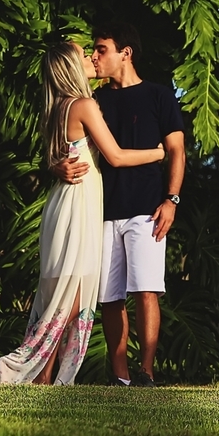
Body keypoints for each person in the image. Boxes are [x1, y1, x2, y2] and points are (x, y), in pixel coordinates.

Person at [0, 41, 165, 385]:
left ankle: (43, 375)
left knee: (61, 291)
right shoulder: (84, 105)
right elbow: (114, 156)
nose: (92, 59)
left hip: (62, 204)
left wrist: (55, 166)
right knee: (71, 296)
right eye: (84, 55)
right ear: (70, 67)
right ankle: (20, 364)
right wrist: (157, 154)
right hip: (79, 206)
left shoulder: (55, 106)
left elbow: (58, 157)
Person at [53, 23, 185, 387]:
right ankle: (121, 376)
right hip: (102, 212)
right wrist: (55, 164)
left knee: (146, 290)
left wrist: (171, 200)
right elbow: (66, 143)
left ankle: (146, 372)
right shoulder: (94, 102)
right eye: (92, 51)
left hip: (148, 210)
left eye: (101, 49)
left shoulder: (159, 95)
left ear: (125, 52)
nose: (94, 57)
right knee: (109, 297)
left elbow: (176, 150)